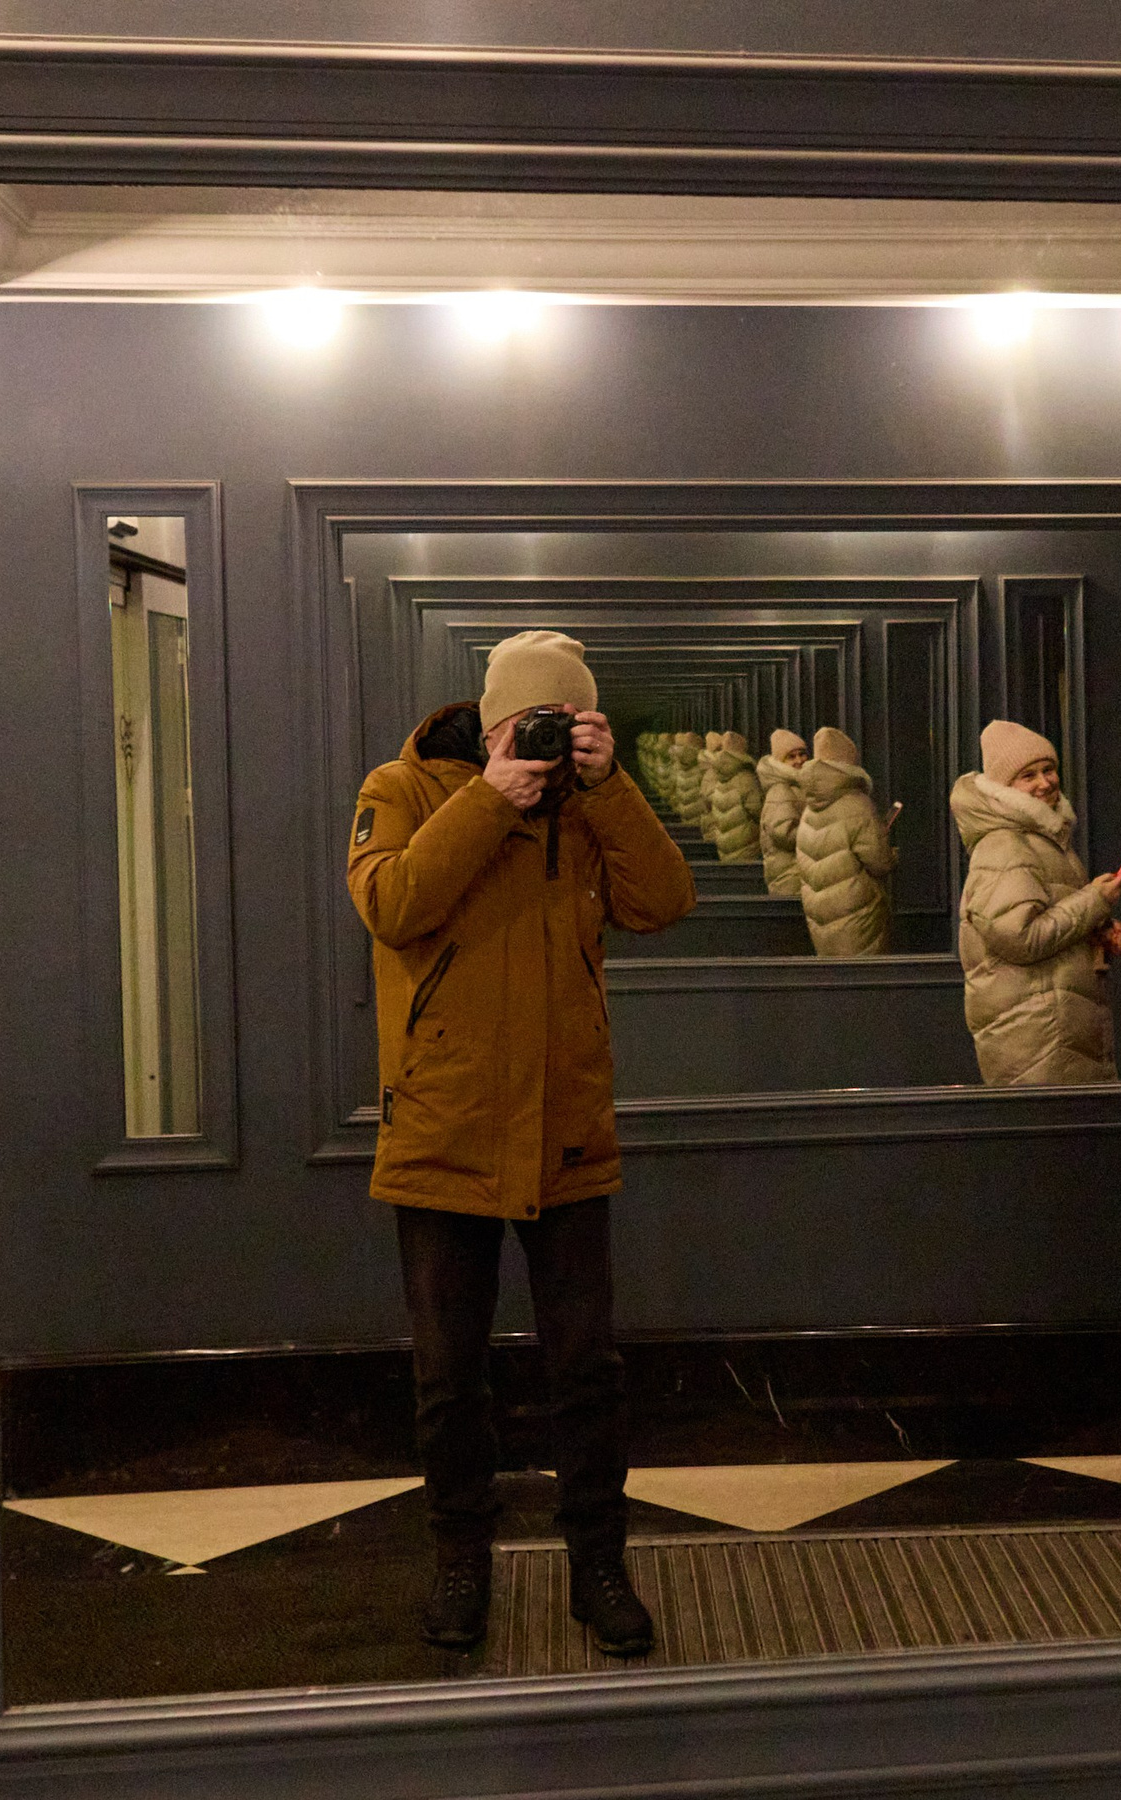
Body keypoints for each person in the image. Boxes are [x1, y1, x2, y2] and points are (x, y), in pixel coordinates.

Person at [346, 629, 697, 1659]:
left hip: (565, 1124)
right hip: (445, 1124)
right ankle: (462, 1562)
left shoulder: (590, 807)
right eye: (527, 724)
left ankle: (598, 1565)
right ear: (489, 717)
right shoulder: (404, 785)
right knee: (449, 1372)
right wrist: (490, 796)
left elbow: (663, 902)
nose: (541, 742)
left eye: (565, 723)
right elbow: (391, 904)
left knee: (586, 1369)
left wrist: (610, 784)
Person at [950, 720, 1121, 1084]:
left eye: (1048, 769)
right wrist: (1093, 902)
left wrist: (1099, 931)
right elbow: (1018, 937)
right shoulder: (1006, 844)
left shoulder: (1043, 837)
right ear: (1005, 789)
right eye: (1028, 775)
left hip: (1053, 1029)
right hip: (1038, 1036)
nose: (1044, 782)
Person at [796, 725, 898, 955]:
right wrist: (893, 854)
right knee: (865, 982)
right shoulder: (858, 805)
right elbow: (879, 862)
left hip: (819, 915)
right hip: (857, 913)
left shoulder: (809, 809)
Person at [757, 728, 810, 896]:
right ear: (780, 762)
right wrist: (820, 835)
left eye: (802, 754)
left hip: (796, 874)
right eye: (791, 756)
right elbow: (783, 833)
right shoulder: (781, 790)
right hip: (791, 878)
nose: (799, 760)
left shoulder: (795, 786)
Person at [704, 730, 763, 862]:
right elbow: (757, 811)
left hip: (725, 846)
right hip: (746, 848)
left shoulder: (720, 778)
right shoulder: (746, 779)